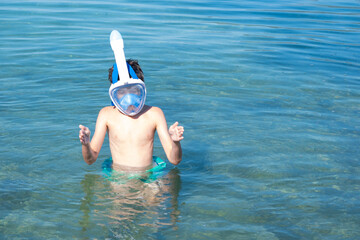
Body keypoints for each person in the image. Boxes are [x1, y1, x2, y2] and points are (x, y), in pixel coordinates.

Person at [79, 59, 184, 171]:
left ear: (142, 89)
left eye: (134, 90)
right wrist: (86, 145)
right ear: (113, 93)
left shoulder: (154, 114)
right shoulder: (106, 115)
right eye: (121, 92)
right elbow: (90, 160)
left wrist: (176, 142)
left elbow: (174, 160)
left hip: (149, 177)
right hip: (120, 179)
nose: (128, 98)